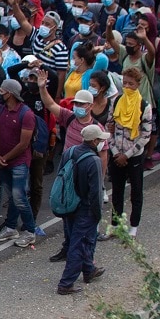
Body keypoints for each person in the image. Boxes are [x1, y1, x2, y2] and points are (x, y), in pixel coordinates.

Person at [54, 123, 108, 294]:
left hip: (69, 205)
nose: (101, 142)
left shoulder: (69, 152)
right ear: (93, 141)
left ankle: (89, 270)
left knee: (76, 240)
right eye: (100, 139)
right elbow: (95, 193)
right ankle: (66, 283)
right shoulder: (94, 161)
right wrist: (97, 214)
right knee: (81, 243)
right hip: (85, 208)